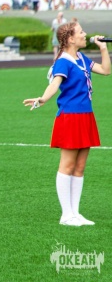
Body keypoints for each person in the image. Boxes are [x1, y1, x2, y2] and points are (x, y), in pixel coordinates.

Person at [23, 22, 110, 226]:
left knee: (80, 167)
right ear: (71, 39)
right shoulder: (63, 61)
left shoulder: (81, 57)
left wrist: (103, 48)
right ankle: (66, 215)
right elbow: (54, 84)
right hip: (70, 117)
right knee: (67, 165)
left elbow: (106, 70)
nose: (85, 34)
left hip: (86, 115)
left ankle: (75, 213)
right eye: (81, 32)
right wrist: (43, 99)